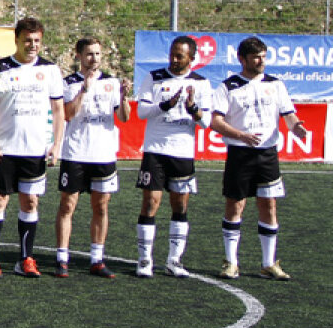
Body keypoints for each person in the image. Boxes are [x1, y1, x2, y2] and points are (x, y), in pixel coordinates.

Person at [210, 37, 307, 280]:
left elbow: (289, 114)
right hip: (240, 155)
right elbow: (216, 121)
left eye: (263, 56)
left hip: (267, 154)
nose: (260, 61)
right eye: (255, 57)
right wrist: (240, 135)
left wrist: (296, 127)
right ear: (242, 59)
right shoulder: (228, 86)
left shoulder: (276, 84)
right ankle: (231, 262)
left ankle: (268, 263)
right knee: (235, 205)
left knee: (269, 205)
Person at [0, 17, 65, 279]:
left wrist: (56, 144)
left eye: (37, 40)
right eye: (27, 40)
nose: (32, 45)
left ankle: (25, 259)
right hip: (4, 149)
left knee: (30, 202)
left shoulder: (50, 70)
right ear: (16, 39)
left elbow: (59, 110)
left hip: (35, 150)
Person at [133, 35, 212, 279]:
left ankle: (173, 260)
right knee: (150, 203)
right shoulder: (154, 78)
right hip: (156, 151)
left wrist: (193, 110)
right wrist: (164, 106)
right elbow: (142, 111)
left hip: (182, 152)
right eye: (172, 54)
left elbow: (207, 122)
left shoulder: (201, 83)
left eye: (180, 56)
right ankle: (144, 260)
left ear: (192, 58)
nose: (174, 59)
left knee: (180, 205)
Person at [52, 38, 131, 279]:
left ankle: (97, 259)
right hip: (76, 153)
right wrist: (84, 89)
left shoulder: (111, 82)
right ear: (78, 56)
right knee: (68, 205)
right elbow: (67, 114)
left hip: (103, 154)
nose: (94, 59)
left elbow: (124, 117)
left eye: (97, 54)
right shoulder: (69, 83)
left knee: (101, 205)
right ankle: (62, 258)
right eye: (88, 54)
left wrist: (124, 97)